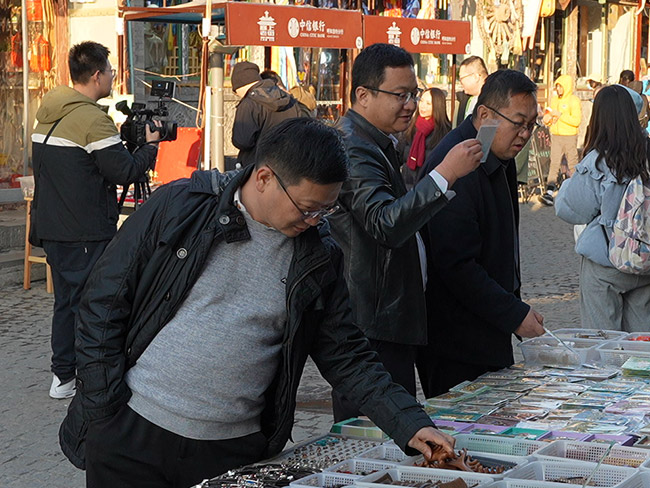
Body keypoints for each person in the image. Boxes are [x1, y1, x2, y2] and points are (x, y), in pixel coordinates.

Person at [59, 118, 456, 487]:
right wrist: (103, 409)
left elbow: (348, 356)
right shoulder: (180, 206)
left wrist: (409, 423)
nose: (316, 220)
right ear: (264, 177)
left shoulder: (318, 256)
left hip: (231, 452)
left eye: (327, 209)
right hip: (132, 434)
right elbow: (102, 304)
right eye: (308, 208)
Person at [329, 44, 482, 421]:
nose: (411, 105)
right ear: (363, 95)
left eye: (414, 94)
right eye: (400, 95)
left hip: (388, 315)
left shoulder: (375, 141)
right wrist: (445, 173)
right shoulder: (353, 147)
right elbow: (384, 222)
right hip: (372, 321)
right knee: (376, 431)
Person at [30, 41, 159, 400]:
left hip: (52, 227)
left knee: (67, 303)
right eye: (112, 71)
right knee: (95, 304)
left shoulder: (49, 111)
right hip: (83, 231)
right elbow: (125, 172)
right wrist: (150, 146)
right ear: (98, 75)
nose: (114, 76)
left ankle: (63, 376)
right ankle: (94, 376)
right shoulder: (91, 120)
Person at [418, 69, 546, 397]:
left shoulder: (498, 154)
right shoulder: (456, 162)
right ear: (485, 115)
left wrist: (513, 308)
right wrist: (513, 314)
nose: (525, 134)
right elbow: (455, 264)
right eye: (518, 123)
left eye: (532, 124)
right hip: (455, 342)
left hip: (489, 329)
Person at [554, 84, 650, 332]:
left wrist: (565, 188)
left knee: (603, 341)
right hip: (645, 258)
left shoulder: (598, 160)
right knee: (642, 342)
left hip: (606, 261)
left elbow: (573, 209)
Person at [232, 61, 310, 168]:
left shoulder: (249, 103)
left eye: (235, 91)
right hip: (288, 166)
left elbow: (242, 141)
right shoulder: (288, 99)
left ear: (239, 85)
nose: (236, 94)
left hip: (257, 167)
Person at [540, 75, 582, 206]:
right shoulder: (554, 100)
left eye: (560, 86)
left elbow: (576, 121)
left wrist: (561, 116)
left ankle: (577, 192)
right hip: (556, 136)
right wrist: (547, 119)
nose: (558, 89)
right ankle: (549, 192)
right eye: (557, 86)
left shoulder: (574, 101)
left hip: (569, 136)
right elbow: (549, 114)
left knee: (572, 164)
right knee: (554, 163)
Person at [399, 87, 452, 188]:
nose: (423, 106)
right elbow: (399, 155)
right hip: (407, 187)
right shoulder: (410, 127)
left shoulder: (445, 133)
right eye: (421, 101)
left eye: (428, 103)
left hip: (430, 188)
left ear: (437, 106)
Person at [454, 56, 488, 127]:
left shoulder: (495, 99)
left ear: (476, 77)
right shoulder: (463, 99)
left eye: (462, 78)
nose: (460, 82)